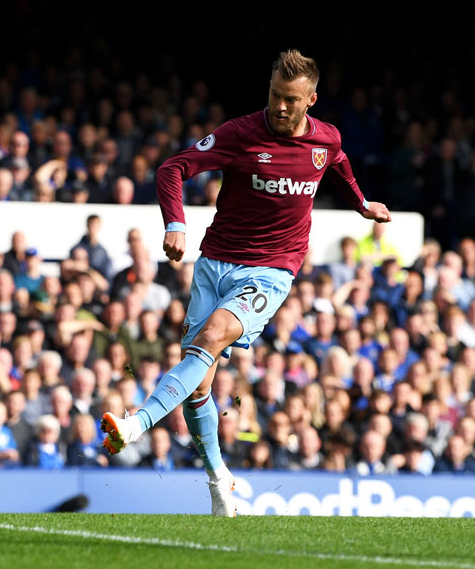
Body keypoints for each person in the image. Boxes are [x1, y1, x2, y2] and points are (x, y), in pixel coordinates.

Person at [100, 50, 391, 517]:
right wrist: (175, 222)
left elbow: (338, 164)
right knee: (198, 387)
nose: (279, 107)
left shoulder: (324, 140)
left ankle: (136, 424)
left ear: (311, 100)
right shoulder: (240, 134)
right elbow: (171, 169)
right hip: (214, 262)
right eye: (275, 95)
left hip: (272, 270)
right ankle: (219, 481)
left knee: (211, 337)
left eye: (290, 100)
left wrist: (361, 204)